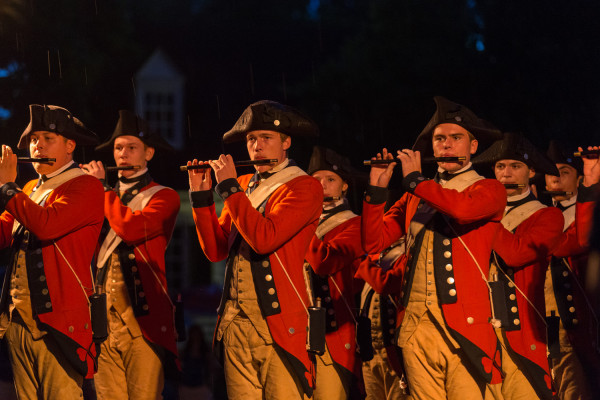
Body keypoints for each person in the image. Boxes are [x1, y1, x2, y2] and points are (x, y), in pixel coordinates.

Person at [361, 96, 505, 400]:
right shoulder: (416, 196)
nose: (447, 145)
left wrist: (414, 179)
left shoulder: (489, 189)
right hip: (415, 325)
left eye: (456, 138)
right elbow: (374, 242)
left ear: (473, 146)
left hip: (464, 326)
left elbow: (461, 210)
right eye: (440, 139)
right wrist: (377, 189)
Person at [186, 100, 323, 399]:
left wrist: (230, 189)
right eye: (251, 139)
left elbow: (264, 239)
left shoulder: (304, 187)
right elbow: (216, 250)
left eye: (266, 138)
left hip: (278, 323)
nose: (257, 146)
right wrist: (201, 197)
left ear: (286, 142)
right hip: (235, 324)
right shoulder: (245, 184)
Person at [0, 104, 104, 399]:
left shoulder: (85, 185)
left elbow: (45, 225)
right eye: (34, 139)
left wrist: (7, 187)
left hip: (60, 325)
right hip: (19, 320)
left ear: (70, 146)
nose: (37, 146)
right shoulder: (31, 187)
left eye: (48, 138)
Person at [81, 110, 180, 400]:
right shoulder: (100, 195)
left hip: (143, 321)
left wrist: (100, 188)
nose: (123, 154)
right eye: (118, 148)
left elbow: (130, 228)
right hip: (103, 321)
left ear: (148, 153)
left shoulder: (165, 195)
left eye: (131, 147)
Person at [473, 132, 563, 400]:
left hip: (521, 329)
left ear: (531, 172)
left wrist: (486, 214)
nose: (506, 174)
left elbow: (515, 254)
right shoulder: (483, 215)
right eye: (500, 167)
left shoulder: (547, 215)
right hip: (480, 330)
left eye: (515, 166)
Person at [304, 146, 363, 399]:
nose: (323, 185)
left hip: (336, 329)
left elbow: (322, 262)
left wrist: (301, 222)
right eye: (316, 179)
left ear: (345, 186)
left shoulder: (355, 224)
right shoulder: (303, 218)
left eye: (330, 179)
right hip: (295, 328)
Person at [545, 141, 600, 399]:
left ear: (578, 179)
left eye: (564, 172)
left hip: (587, 318)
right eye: (551, 172)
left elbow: (581, 238)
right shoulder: (540, 216)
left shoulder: (589, 210)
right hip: (554, 323)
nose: (555, 178)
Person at [354, 238, 411, 400]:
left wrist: (364, 264)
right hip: (370, 353)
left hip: (394, 354)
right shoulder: (376, 256)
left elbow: (384, 283)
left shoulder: (407, 254)